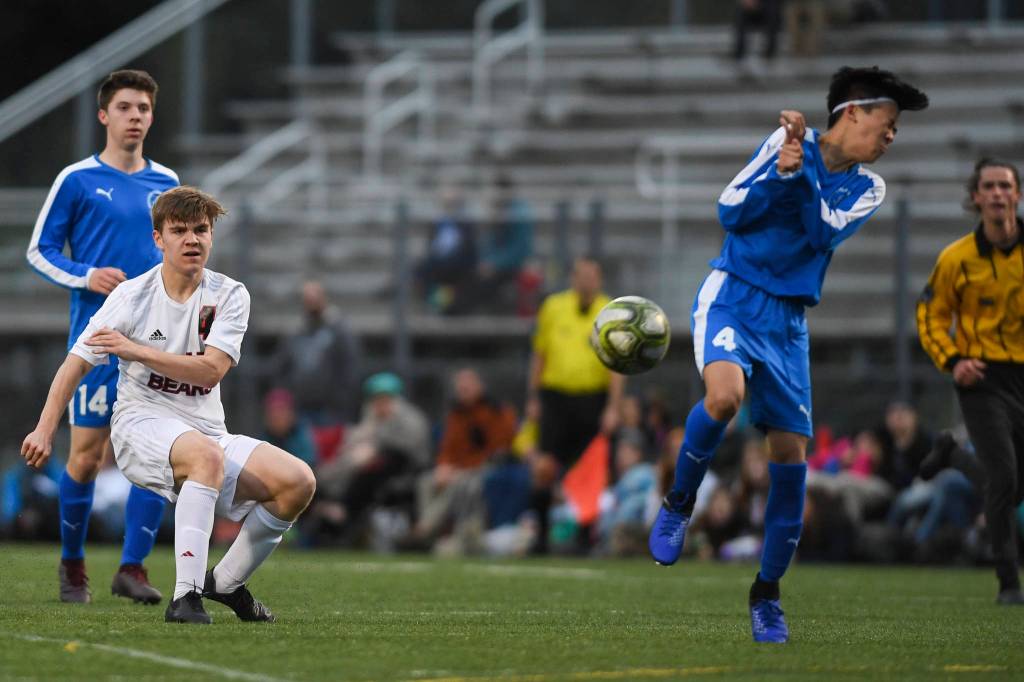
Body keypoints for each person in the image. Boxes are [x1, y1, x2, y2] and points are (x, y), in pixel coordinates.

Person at [648, 66, 928, 642]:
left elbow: (823, 230)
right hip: (734, 294)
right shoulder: (783, 141)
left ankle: (766, 595)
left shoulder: (869, 187)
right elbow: (730, 211)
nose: (892, 136)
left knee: (790, 461)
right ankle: (679, 502)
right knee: (724, 400)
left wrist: (798, 177)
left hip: (788, 325)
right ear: (853, 112)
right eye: (888, 122)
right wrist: (781, 170)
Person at [22, 186, 316, 624]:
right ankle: (186, 597)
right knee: (205, 456)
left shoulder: (230, 295)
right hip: (140, 425)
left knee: (298, 481)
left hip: (206, 432)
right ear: (158, 239)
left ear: (212, 236)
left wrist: (135, 350)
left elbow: (211, 371)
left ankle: (227, 583)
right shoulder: (130, 296)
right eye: (179, 231)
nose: (192, 239)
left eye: (201, 229)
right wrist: (44, 429)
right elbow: (74, 364)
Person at [25, 69, 179, 604]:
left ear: (152, 116)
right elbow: (39, 250)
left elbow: (180, 254)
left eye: (143, 108)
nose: (135, 116)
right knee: (87, 456)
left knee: (156, 459)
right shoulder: (77, 179)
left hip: (156, 342)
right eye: (126, 107)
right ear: (104, 116)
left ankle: (132, 569)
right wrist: (86, 275)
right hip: (99, 338)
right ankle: (72, 565)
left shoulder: (168, 183)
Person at [916, 157, 1024, 604]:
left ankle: (953, 455)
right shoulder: (956, 259)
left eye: (1006, 186)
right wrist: (953, 360)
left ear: (1016, 195)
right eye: (989, 187)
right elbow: (930, 315)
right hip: (981, 377)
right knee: (1002, 475)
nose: (998, 194)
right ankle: (1008, 582)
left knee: (1012, 485)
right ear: (976, 197)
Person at [526, 256, 625, 553]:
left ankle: (585, 536)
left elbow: (617, 364)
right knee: (544, 467)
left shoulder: (610, 311)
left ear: (599, 279)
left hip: (592, 399)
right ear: (573, 277)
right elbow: (539, 354)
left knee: (590, 469)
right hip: (555, 397)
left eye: (592, 276)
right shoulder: (553, 307)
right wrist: (533, 397)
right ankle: (540, 535)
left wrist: (613, 406)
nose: (586, 282)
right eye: (581, 275)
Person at [313, 372, 431, 543]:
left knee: (370, 470)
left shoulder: (411, 419)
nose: (380, 404)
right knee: (335, 469)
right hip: (361, 467)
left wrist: (375, 451)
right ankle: (330, 504)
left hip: (401, 471)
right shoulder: (371, 417)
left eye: (385, 399)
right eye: (376, 399)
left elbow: (412, 453)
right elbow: (355, 443)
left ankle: (343, 510)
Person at [407, 368, 517, 550]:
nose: (463, 391)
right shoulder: (455, 415)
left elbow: (500, 448)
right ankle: (429, 537)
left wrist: (461, 469)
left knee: (460, 483)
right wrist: (443, 467)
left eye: (468, 387)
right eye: (460, 388)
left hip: (484, 468)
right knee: (426, 482)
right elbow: (447, 448)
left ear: (479, 386)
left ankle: (424, 529)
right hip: (457, 469)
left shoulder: (497, 411)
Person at [271, 281, 361, 462]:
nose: (311, 301)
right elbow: (282, 368)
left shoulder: (338, 331)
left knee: (329, 459)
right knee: (302, 457)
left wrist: (342, 401)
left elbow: (349, 368)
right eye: (307, 298)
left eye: (315, 297)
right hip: (300, 408)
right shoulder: (296, 332)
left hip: (331, 410)